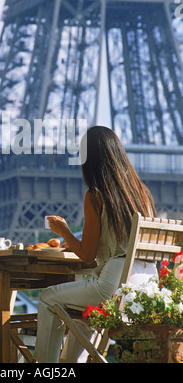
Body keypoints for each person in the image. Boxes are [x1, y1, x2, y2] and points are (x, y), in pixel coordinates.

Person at [34, 126, 158, 363]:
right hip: (146, 287)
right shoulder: (143, 193)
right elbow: (117, 242)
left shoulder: (96, 195)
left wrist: (64, 231)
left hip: (114, 286)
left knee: (48, 299)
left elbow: (88, 256)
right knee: (84, 310)